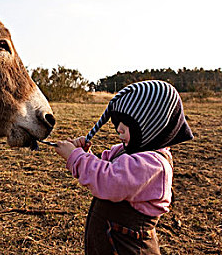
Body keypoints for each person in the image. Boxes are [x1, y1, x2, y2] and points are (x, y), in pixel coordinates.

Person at [54, 80, 193, 255]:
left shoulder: (152, 164)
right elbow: (106, 167)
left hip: (128, 248)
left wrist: (77, 158)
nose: (118, 129)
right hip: (111, 241)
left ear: (151, 125)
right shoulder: (133, 151)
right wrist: (86, 153)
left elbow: (108, 181)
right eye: (117, 122)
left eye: (125, 124)